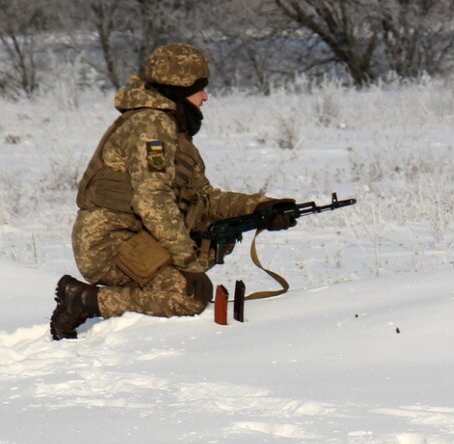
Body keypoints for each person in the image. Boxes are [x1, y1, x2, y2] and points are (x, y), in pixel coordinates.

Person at [50, 43, 297, 340]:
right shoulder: (151, 126)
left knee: (194, 276)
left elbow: (205, 199)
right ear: (180, 88)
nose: (205, 97)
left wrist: (260, 208)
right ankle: (85, 301)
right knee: (188, 295)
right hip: (109, 243)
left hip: (135, 237)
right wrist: (186, 263)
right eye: (200, 89)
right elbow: (152, 199)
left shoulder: (169, 128)